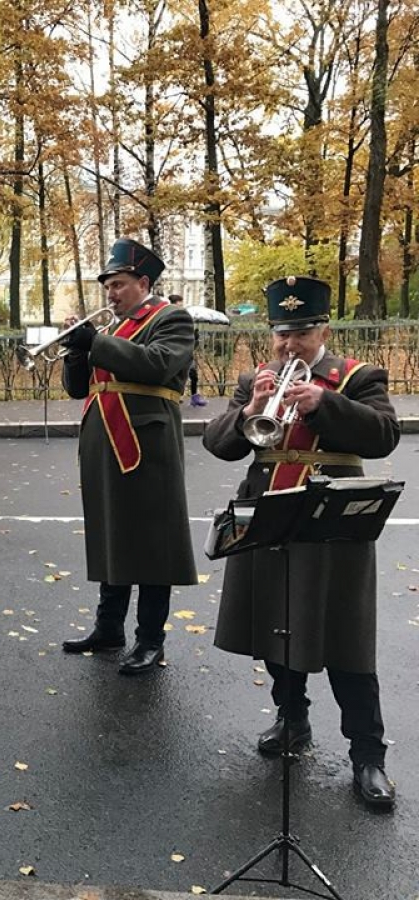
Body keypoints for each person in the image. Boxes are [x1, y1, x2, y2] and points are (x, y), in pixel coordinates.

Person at [202, 275, 400, 809]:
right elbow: (218, 445)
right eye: (281, 334)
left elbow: (384, 435)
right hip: (269, 514)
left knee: (345, 638)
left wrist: (323, 404)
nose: (290, 346)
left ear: (324, 331)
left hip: (331, 519)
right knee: (276, 624)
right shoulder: (255, 379)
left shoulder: (357, 376)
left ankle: (368, 756)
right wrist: (247, 412)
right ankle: (293, 718)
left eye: (302, 334)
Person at [58, 239, 197, 675]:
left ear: (143, 282)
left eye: (118, 285)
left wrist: (94, 342)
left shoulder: (171, 318)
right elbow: (79, 389)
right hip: (104, 444)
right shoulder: (112, 329)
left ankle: (150, 640)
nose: (111, 294)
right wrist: (77, 351)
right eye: (108, 287)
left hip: (146, 445)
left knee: (154, 543)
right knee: (111, 534)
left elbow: (158, 364)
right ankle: (109, 628)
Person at [168, 294, 206, 407]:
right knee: (174, 375)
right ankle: (174, 396)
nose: (181, 308)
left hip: (186, 352)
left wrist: (195, 336)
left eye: (181, 305)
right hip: (174, 351)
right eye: (178, 305)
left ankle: (194, 397)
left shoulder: (184, 318)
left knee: (193, 374)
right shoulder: (168, 318)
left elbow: (189, 338)